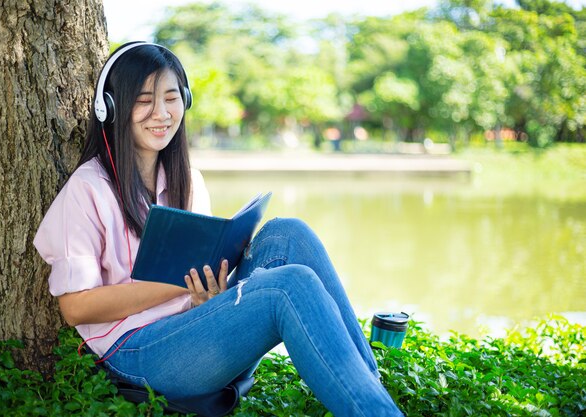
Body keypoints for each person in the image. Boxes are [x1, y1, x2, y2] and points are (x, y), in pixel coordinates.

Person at [33, 41, 403, 417]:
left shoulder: (186, 179)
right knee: (289, 286)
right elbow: (75, 307)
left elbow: (194, 300)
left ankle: (368, 388)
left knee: (288, 233)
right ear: (111, 108)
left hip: (191, 331)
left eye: (171, 98)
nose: (161, 113)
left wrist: (203, 296)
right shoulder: (88, 188)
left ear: (186, 101)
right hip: (135, 351)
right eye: (144, 100)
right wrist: (177, 283)